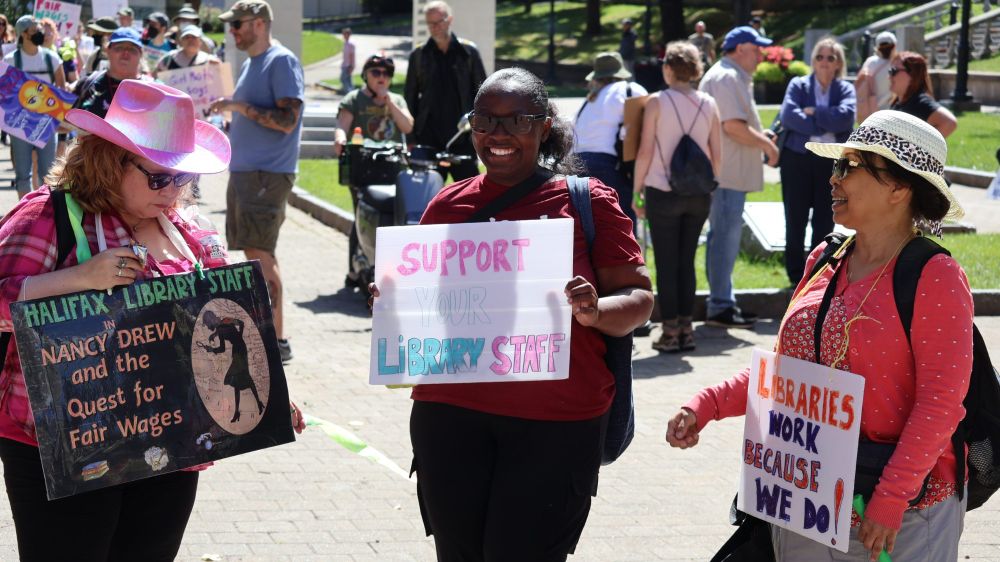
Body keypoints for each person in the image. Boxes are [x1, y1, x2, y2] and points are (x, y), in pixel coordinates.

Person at [0, 77, 307, 561]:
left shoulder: (188, 231)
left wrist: (272, 397)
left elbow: (231, 318)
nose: (174, 191)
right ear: (107, 160)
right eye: (159, 177)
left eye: (182, 178)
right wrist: (78, 279)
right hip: (65, 445)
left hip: (169, 446)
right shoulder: (48, 216)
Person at [371, 67, 653, 561]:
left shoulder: (586, 202)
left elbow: (639, 300)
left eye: (516, 121)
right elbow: (433, 304)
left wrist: (593, 311)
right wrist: (397, 302)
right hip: (450, 420)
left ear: (544, 127)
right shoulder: (447, 206)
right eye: (484, 121)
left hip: (555, 425)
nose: (497, 135)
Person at [666, 109, 972, 562]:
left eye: (850, 166)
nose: (833, 178)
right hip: (807, 503)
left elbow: (941, 403)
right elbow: (788, 378)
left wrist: (890, 499)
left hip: (898, 515)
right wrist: (707, 404)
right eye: (836, 165)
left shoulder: (935, 276)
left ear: (899, 187)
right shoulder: (825, 260)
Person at [209, 0, 304, 364]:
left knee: (260, 256)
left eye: (238, 24)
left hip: (266, 176)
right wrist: (235, 118)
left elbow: (287, 120)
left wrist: (239, 109)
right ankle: (273, 336)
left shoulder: (280, 60)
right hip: (250, 174)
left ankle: (278, 342)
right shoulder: (253, 63)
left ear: (260, 24)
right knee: (255, 252)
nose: (232, 31)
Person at [633, 41, 721, 353]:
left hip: (663, 191)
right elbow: (716, 157)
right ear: (696, 69)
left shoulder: (657, 102)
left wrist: (636, 192)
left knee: (667, 264)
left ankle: (670, 331)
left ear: (669, 68)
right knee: (687, 262)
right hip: (698, 193)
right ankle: (687, 330)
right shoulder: (708, 103)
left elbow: (645, 151)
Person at [698, 26, 776, 329]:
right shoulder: (726, 77)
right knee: (724, 240)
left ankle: (722, 303)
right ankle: (720, 305)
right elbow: (732, 126)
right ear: (741, 47)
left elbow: (737, 124)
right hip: (725, 175)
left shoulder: (729, 75)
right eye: (757, 48)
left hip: (728, 172)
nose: (761, 55)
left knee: (724, 239)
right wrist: (767, 144)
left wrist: (761, 135)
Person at [778, 37, 856, 284]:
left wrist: (813, 114)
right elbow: (789, 117)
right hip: (797, 159)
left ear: (838, 63)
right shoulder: (798, 85)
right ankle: (794, 274)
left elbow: (845, 119)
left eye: (830, 58)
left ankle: (817, 272)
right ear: (813, 60)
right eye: (819, 57)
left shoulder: (845, 89)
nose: (824, 62)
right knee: (795, 216)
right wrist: (825, 119)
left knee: (825, 217)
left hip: (829, 160)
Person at [405, 0, 486, 182]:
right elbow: (410, 98)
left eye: (438, 21)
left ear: (449, 20)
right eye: (430, 23)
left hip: (462, 136)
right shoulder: (418, 55)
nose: (434, 27)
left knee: (470, 194)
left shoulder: (468, 52)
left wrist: (480, 130)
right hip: (428, 137)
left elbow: (482, 94)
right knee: (425, 195)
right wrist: (410, 137)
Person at [573, 51, 647, 225]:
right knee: (620, 226)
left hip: (577, 164)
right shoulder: (630, 90)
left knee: (588, 227)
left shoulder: (590, 100)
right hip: (610, 165)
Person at [3, 15, 66, 198]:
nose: (40, 33)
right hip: (20, 123)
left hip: (46, 122)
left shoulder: (52, 58)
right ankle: (24, 215)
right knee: (23, 174)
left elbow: (61, 89)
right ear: (23, 34)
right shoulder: (10, 60)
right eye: (34, 30)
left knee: (48, 173)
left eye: (39, 29)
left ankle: (44, 213)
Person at [333, 53, 413, 153]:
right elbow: (341, 127)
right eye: (376, 73)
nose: (382, 77)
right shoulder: (353, 99)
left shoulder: (397, 100)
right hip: (362, 157)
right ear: (366, 75)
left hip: (391, 159)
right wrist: (340, 139)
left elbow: (408, 128)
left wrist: (390, 103)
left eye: (387, 73)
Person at [73, 28, 152, 119]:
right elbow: (64, 123)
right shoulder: (88, 83)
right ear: (108, 51)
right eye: (119, 48)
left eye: (132, 49)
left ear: (140, 54)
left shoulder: (154, 91)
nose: (125, 53)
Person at [889, 51, 957, 138]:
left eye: (894, 71)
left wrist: (919, 147)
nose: (889, 76)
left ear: (912, 75)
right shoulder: (900, 102)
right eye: (889, 71)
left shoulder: (919, 102)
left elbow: (950, 122)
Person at [855, 31, 897, 122]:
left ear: (877, 47)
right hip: (889, 113)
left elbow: (858, 82)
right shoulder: (897, 65)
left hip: (869, 111)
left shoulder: (870, 62)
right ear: (894, 46)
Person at [155, 25, 219, 74]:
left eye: (194, 37)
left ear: (200, 41)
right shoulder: (168, 59)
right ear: (181, 41)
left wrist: (218, 68)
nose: (190, 40)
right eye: (187, 37)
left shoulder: (210, 60)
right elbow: (155, 76)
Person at [340, 27, 355, 94]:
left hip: (348, 65)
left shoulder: (350, 44)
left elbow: (352, 55)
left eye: (345, 34)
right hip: (344, 64)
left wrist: (351, 66)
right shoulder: (345, 43)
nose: (344, 35)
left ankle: (349, 93)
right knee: (348, 80)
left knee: (343, 79)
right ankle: (352, 93)